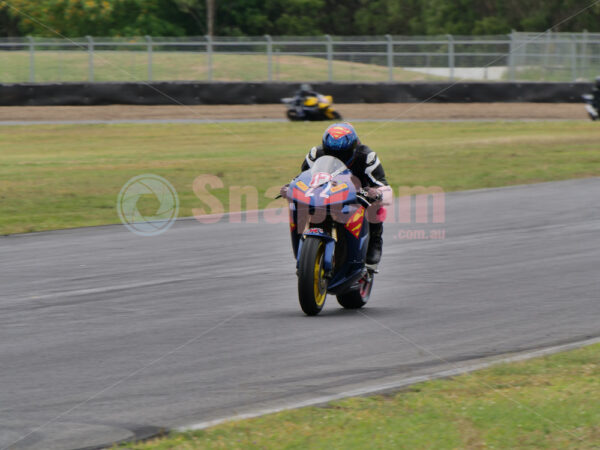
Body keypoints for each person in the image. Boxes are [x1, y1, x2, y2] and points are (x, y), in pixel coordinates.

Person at [281, 123, 391, 266]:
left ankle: (375, 241)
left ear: (353, 148)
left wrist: (376, 192)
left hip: (358, 194)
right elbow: (303, 177)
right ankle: (308, 252)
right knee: (299, 204)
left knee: (376, 206)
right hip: (325, 193)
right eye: (330, 153)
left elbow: (382, 185)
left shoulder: (367, 156)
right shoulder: (315, 153)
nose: (337, 157)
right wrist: (291, 186)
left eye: (342, 154)